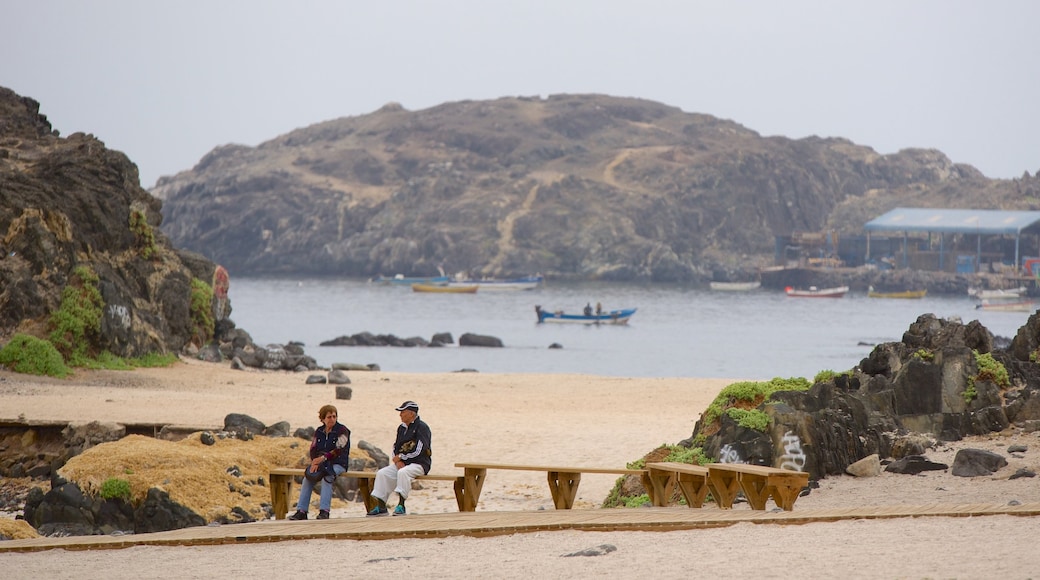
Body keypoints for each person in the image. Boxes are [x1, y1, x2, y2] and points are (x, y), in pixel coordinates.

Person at [367, 400, 432, 517]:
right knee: (382, 473)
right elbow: (395, 447)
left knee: (403, 473)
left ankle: (401, 505)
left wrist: (402, 458)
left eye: (403, 412)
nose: (400, 414)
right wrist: (397, 460)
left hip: (419, 463)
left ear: (412, 414)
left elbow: (420, 449)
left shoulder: (422, 427)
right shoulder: (401, 428)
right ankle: (381, 507)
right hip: (402, 463)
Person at [287, 404, 351, 520]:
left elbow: (339, 449)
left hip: (338, 463)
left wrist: (323, 458)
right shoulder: (319, 431)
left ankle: (324, 511)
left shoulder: (342, 430)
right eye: (329, 417)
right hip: (322, 463)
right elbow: (313, 448)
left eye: (334, 416)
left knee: (328, 476)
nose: (332, 419)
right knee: (308, 477)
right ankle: (302, 511)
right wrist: (314, 463)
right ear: (322, 419)